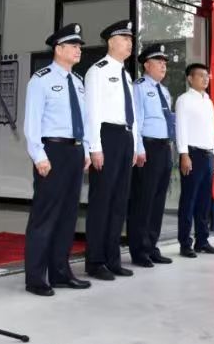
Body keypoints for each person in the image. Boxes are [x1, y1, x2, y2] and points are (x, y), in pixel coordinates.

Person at [23, 23, 92, 296]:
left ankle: (60, 273)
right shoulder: (40, 80)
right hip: (51, 151)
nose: (78, 50)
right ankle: (35, 278)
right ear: (58, 49)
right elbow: (32, 122)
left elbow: (84, 120)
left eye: (79, 46)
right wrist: (38, 155)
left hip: (74, 152)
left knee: (67, 216)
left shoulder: (78, 81)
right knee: (45, 216)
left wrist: (86, 150)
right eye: (73, 45)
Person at [84, 20, 139, 280]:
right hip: (106, 137)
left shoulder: (126, 75)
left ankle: (112, 258)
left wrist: (134, 145)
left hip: (124, 138)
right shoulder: (98, 71)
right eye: (124, 38)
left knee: (119, 202)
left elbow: (132, 115)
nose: (130, 43)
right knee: (102, 201)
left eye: (131, 39)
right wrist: (95, 147)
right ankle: (95, 261)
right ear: (111, 42)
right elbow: (92, 112)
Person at [127, 43, 176, 267]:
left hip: (164, 147)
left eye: (165, 62)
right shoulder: (139, 87)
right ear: (146, 65)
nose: (163, 66)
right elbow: (136, 120)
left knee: (158, 201)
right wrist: (139, 148)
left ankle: (151, 246)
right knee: (143, 200)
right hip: (148, 147)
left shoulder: (164, 91)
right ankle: (139, 250)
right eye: (159, 62)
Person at [175, 63, 214, 257]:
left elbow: (212, 129)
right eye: (201, 75)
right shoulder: (184, 100)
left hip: (208, 155)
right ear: (190, 78)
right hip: (192, 155)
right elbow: (180, 128)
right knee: (189, 200)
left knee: (204, 202)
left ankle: (202, 241)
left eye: (207, 75)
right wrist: (183, 154)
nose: (206, 79)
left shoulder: (208, 101)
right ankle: (185, 243)